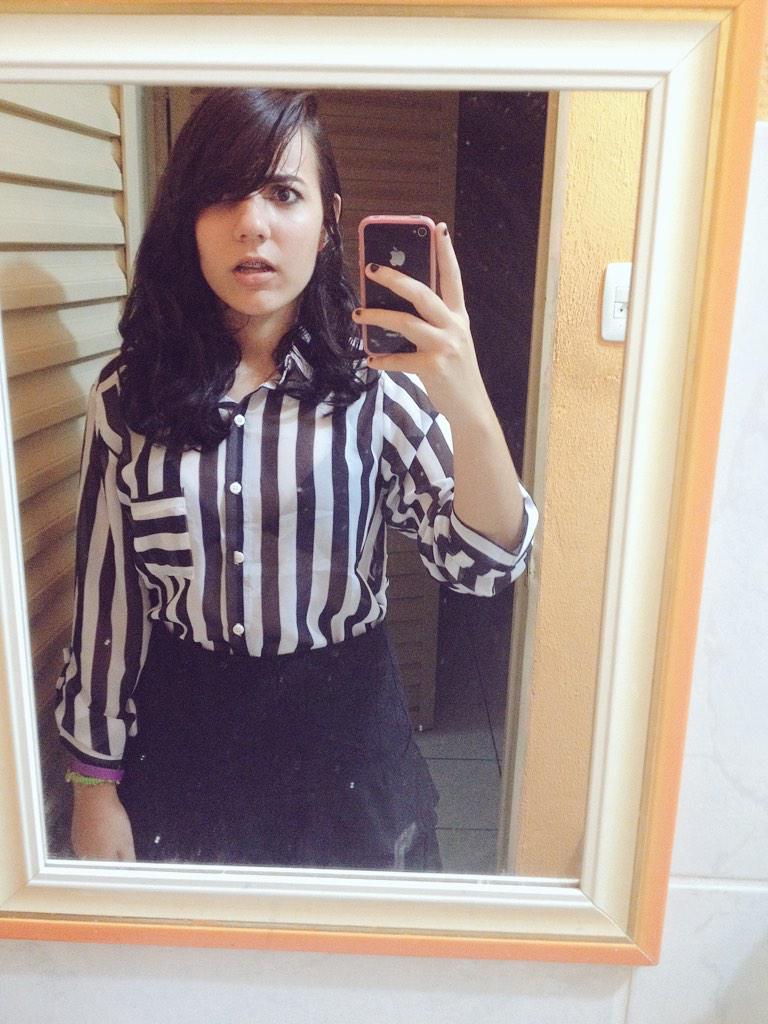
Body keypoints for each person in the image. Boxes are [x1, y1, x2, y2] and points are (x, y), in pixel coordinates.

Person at [55, 88, 538, 870]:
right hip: (183, 747)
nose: (254, 223)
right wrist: (92, 788)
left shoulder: (380, 388)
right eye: (223, 194)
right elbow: (109, 605)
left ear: (327, 221)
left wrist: (469, 400)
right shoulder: (129, 397)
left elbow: (484, 566)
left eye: (284, 193)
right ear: (189, 221)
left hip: (348, 746)